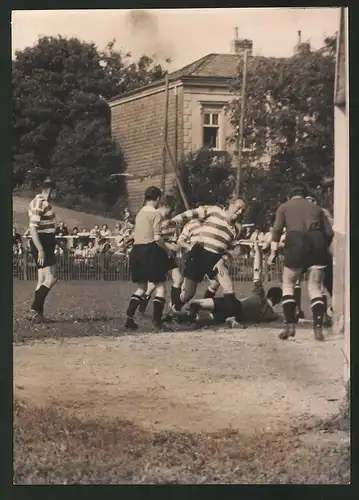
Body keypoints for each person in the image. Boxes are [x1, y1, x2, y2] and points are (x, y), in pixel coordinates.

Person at [267, 183, 333, 341]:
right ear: (305, 195)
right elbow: (329, 233)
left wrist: (273, 253)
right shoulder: (317, 208)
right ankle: (317, 329)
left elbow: (276, 230)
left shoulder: (284, 207)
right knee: (315, 288)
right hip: (317, 243)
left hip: (296, 242)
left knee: (288, 284)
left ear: (290, 196)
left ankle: (290, 326)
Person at [167, 199, 245, 314]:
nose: (239, 212)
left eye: (243, 210)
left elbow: (231, 249)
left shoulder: (237, 228)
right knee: (188, 294)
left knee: (228, 285)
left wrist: (223, 260)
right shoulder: (215, 211)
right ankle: (175, 308)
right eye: (238, 208)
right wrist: (174, 221)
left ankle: (230, 317)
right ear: (231, 205)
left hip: (216, 259)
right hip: (199, 253)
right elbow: (193, 213)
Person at [179, 241, 282, 327]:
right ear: (278, 301)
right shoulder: (271, 315)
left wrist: (257, 250)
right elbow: (279, 317)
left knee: (196, 303)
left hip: (233, 304)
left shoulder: (259, 295)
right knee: (204, 318)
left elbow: (257, 271)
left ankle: (179, 314)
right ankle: (195, 317)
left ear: (268, 294)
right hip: (239, 316)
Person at [124, 186, 175, 330]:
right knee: (160, 286)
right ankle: (157, 322)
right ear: (158, 199)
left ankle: (129, 317)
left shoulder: (139, 213)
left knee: (142, 287)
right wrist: (168, 250)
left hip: (136, 250)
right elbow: (157, 237)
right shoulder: (156, 214)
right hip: (150, 251)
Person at [138, 195, 183, 314]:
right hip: (156, 254)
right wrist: (169, 246)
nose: (172, 211)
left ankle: (174, 309)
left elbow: (173, 238)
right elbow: (153, 238)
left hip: (167, 255)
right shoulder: (154, 217)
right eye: (171, 209)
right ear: (165, 206)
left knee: (178, 279)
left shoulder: (171, 222)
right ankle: (142, 310)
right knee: (154, 285)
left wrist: (175, 245)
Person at [28, 177, 58, 322]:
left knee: (41, 280)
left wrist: (58, 243)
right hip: (42, 243)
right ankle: (34, 308)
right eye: (56, 191)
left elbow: (47, 227)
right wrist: (40, 249)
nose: (57, 195)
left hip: (46, 242)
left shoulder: (43, 202)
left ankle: (38, 315)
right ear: (50, 190)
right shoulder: (39, 202)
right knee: (51, 278)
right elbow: (33, 228)